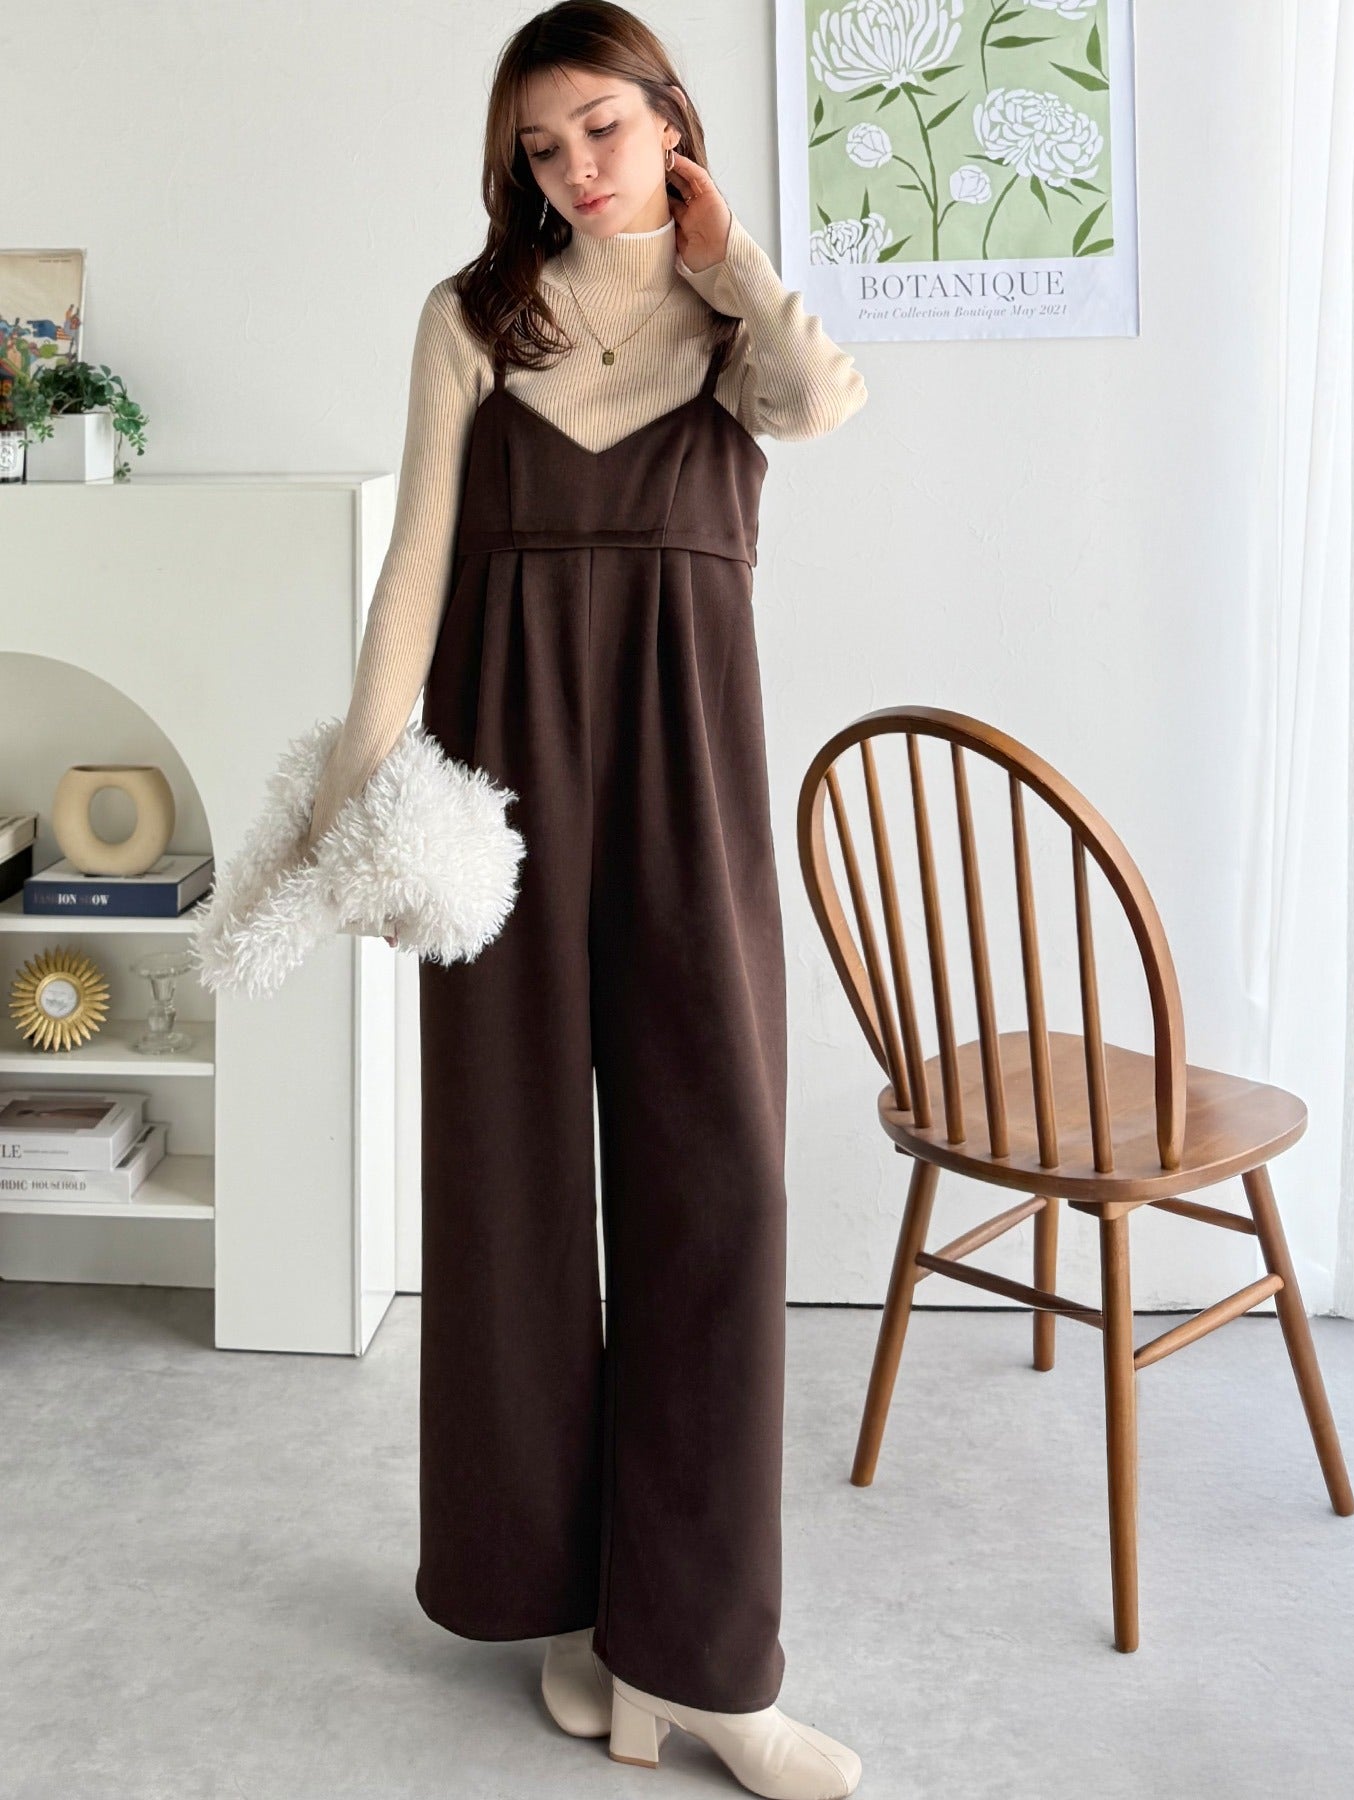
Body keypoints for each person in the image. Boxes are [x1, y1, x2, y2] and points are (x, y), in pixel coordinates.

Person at [303, 6, 867, 1795]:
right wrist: (356, 797)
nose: (574, 170)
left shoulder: (729, 323)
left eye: (603, 128)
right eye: (541, 148)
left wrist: (727, 252)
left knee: (725, 1182)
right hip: (504, 782)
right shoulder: (474, 317)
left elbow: (818, 403)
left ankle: (707, 1665)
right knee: (514, 1189)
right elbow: (414, 569)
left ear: (667, 120)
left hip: (689, 774)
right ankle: (563, 1599)